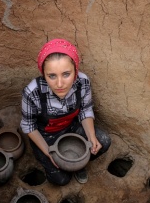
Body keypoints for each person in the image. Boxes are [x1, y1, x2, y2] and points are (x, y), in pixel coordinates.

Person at [20, 38, 111, 185]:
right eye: (52, 76)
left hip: (71, 127)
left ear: (75, 71)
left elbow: (85, 110)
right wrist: (48, 152)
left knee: (104, 141)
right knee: (61, 180)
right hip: (45, 136)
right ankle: (64, 165)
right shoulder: (32, 92)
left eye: (66, 74)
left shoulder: (83, 82)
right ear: (43, 74)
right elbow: (29, 126)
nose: (60, 84)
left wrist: (91, 136)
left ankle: (78, 164)